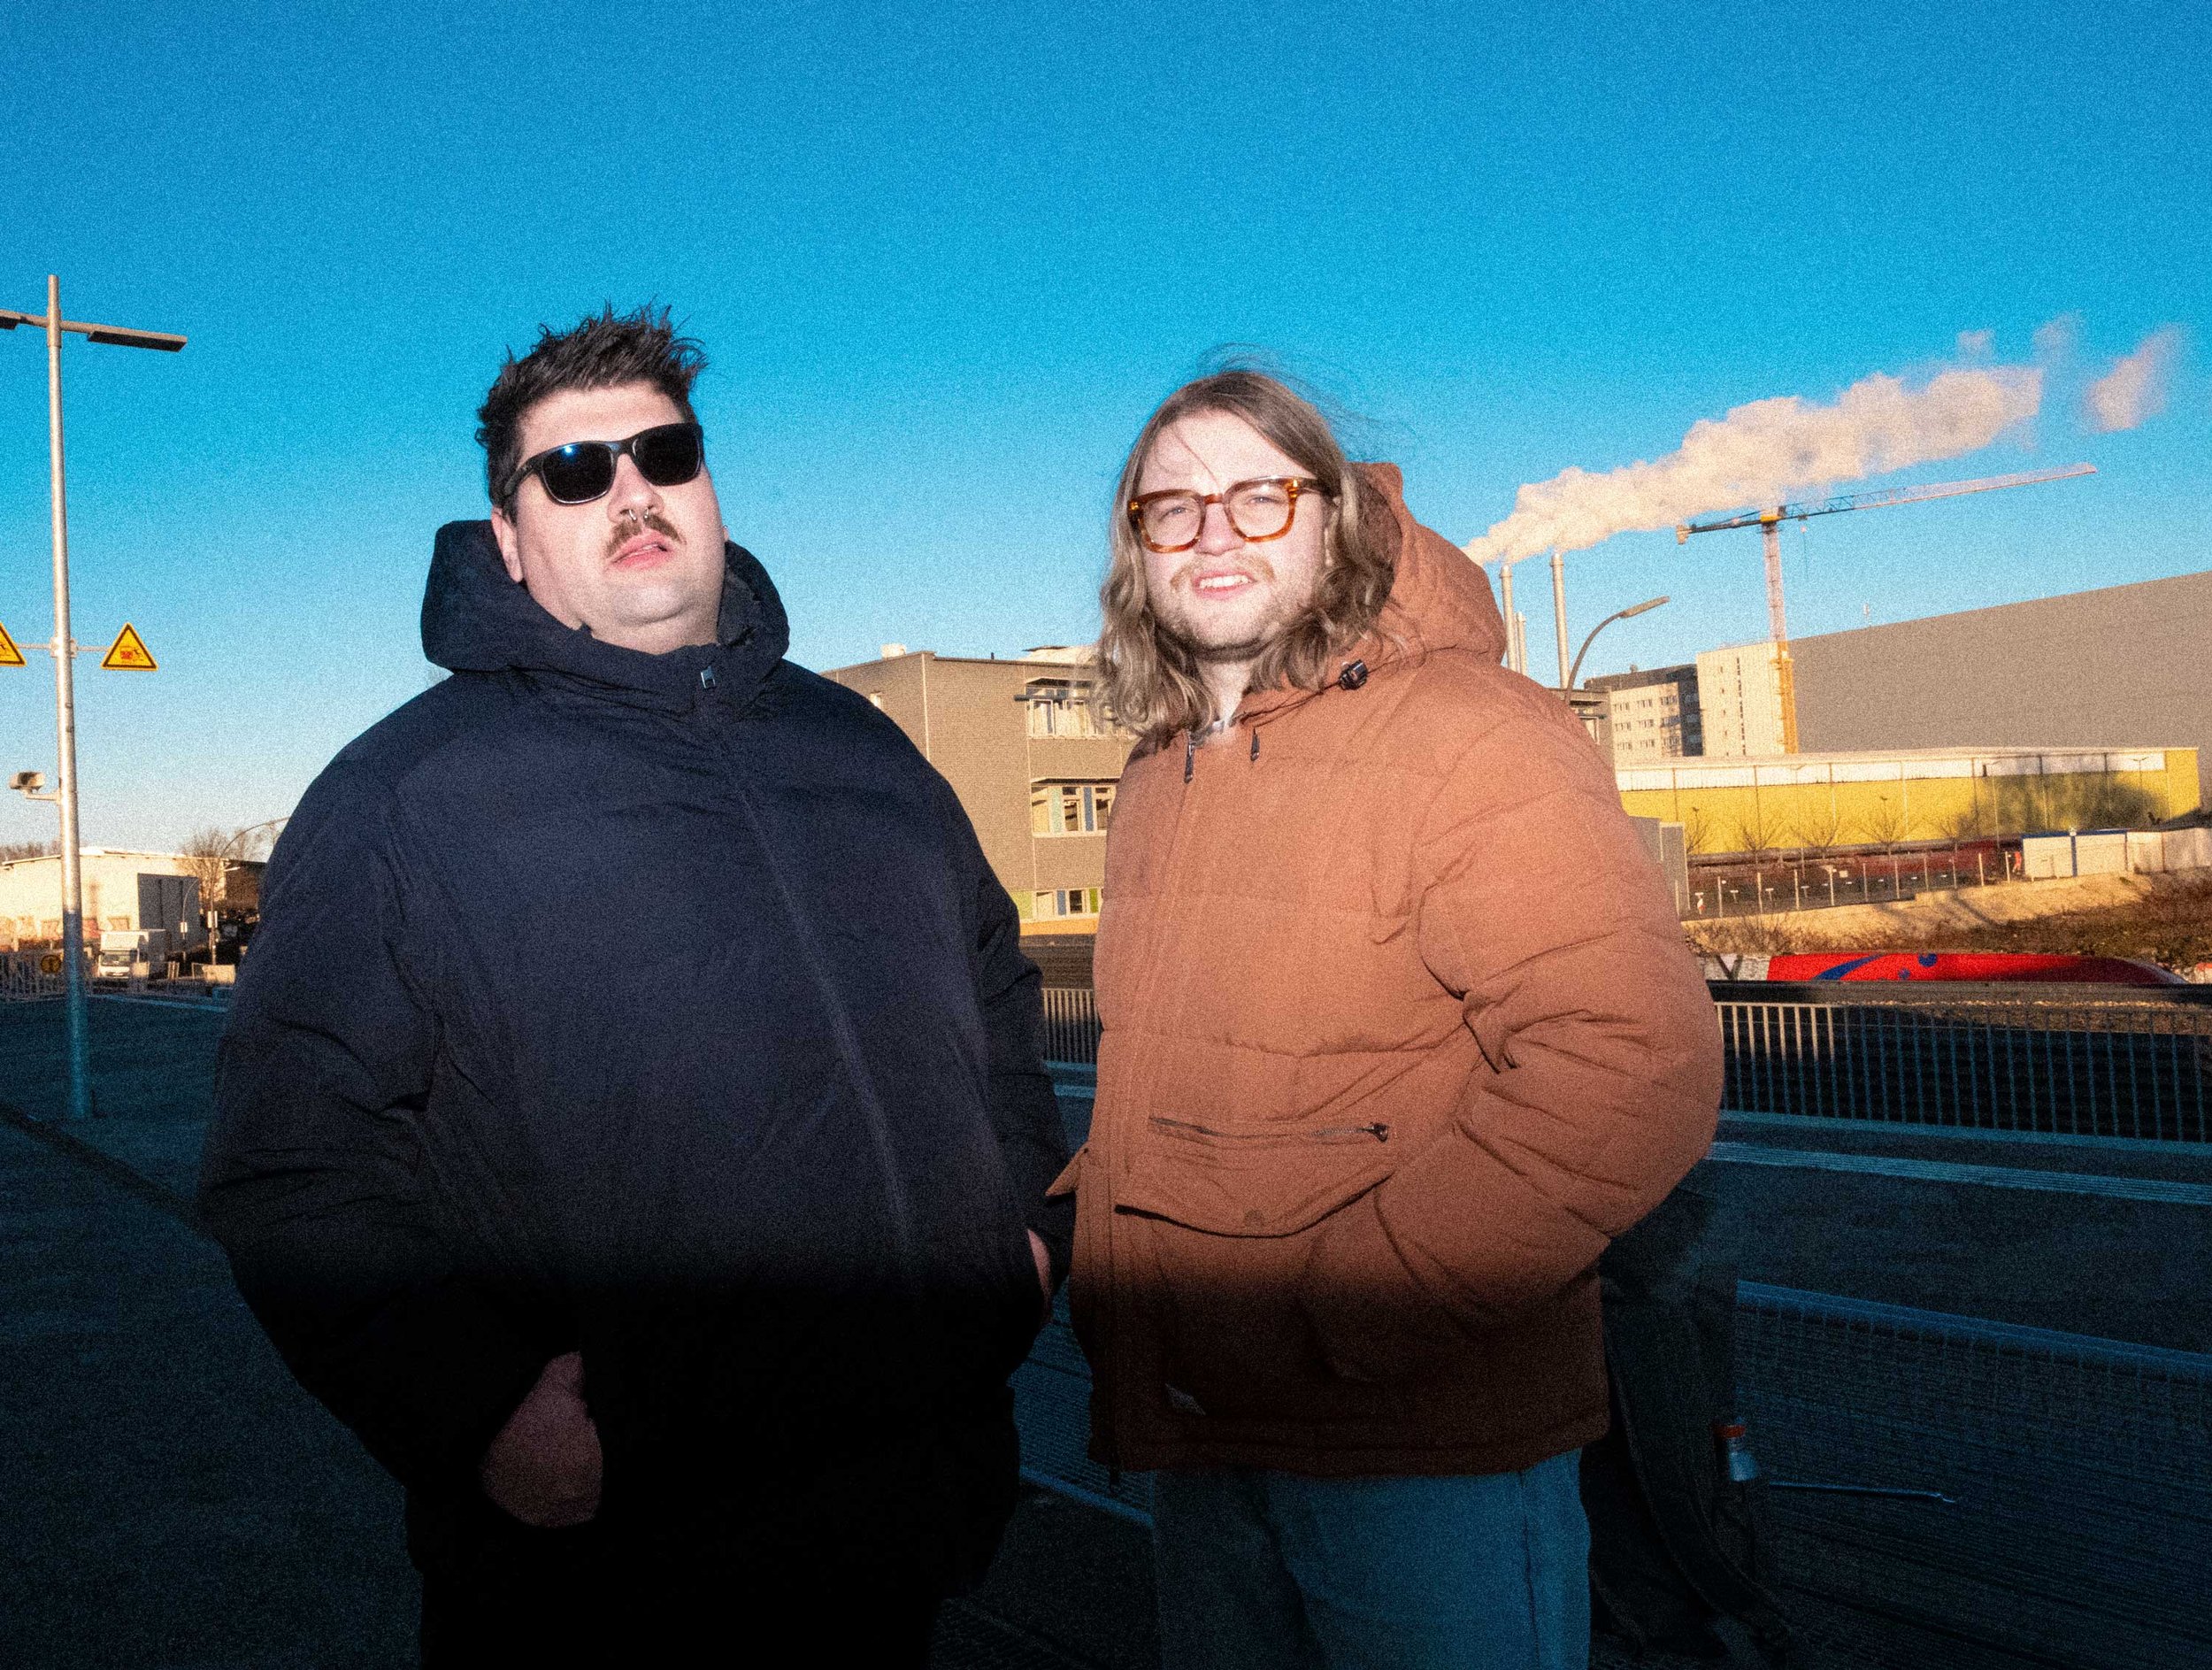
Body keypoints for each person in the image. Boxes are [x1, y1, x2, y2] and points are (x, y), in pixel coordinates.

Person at [199, 306, 1070, 1664]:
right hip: (605, 1577)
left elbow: (998, 1004)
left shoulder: (865, 757)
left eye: (664, 453)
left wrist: (1024, 1242)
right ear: (507, 536)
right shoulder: (402, 800)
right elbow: (290, 1165)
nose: (631, 492)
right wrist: (483, 1411)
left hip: (903, 1530)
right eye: (572, 471)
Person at [1056, 369, 1722, 1670]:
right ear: (1137, 549)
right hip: (1202, 1421)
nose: (1213, 533)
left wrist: (1356, 1310)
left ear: (1337, 517)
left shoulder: (1470, 732)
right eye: (1171, 508)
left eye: (1260, 496)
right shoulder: (1159, 768)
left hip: (1420, 1447)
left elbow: (1630, 1063)